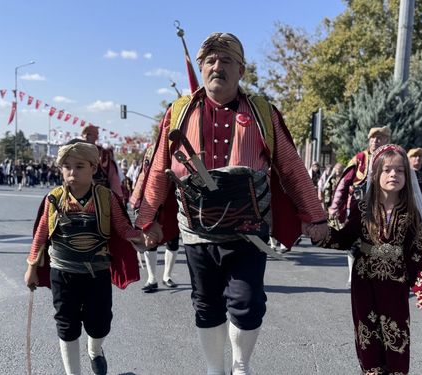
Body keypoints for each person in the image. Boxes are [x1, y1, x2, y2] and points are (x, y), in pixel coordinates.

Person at [135, 32, 327, 375]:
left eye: (226, 60)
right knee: (206, 306)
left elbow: (292, 169)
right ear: (201, 67)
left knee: (247, 302)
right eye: (210, 61)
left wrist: (314, 216)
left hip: (247, 232)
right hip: (196, 232)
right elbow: (159, 170)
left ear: (241, 69)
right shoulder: (178, 113)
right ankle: (214, 369)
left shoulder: (263, 113)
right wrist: (147, 220)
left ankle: (241, 365)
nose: (217, 67)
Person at [309, 144, 422, 375]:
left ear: (407, 177)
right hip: (364, 278)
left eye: (399, 170)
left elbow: (418, 252)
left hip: (395, 281)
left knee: (396, 330)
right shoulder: (363, 207)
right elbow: (346, 237)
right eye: (387, 170)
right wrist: (322, 235)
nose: (393, 175)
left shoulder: (411, 213)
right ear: (376, 174)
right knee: (367, 330)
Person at [24, 142, 145, 375]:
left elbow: (123, 228)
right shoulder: (54, 198)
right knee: (66, 325)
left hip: (97, 272)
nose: (72, 172)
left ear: (93, 167)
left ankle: (95, 350)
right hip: (62, 271)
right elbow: (40, 236)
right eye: (66, 166)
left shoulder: (106, 197)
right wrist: (31, 267)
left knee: (99, 324)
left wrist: (141, 237)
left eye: (79, 166)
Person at [329, 126, 390, 288]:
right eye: (372, 138)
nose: (375, 141)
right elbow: (343, 183)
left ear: (386, 141)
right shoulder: (360, 158)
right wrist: (334, 206)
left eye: (379, 138)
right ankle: (352, 276)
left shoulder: (392, 160)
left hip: (383, 210)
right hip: (358, 209)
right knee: (354, 243)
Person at [81, 125, 123, 198]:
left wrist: (116, 195)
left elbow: (112, 175)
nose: (86, 136)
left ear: (96, 136)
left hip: (101, 192)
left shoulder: (104, 153)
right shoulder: (77, 152)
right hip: (81, 191)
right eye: (84, 134)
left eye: (89, 134)